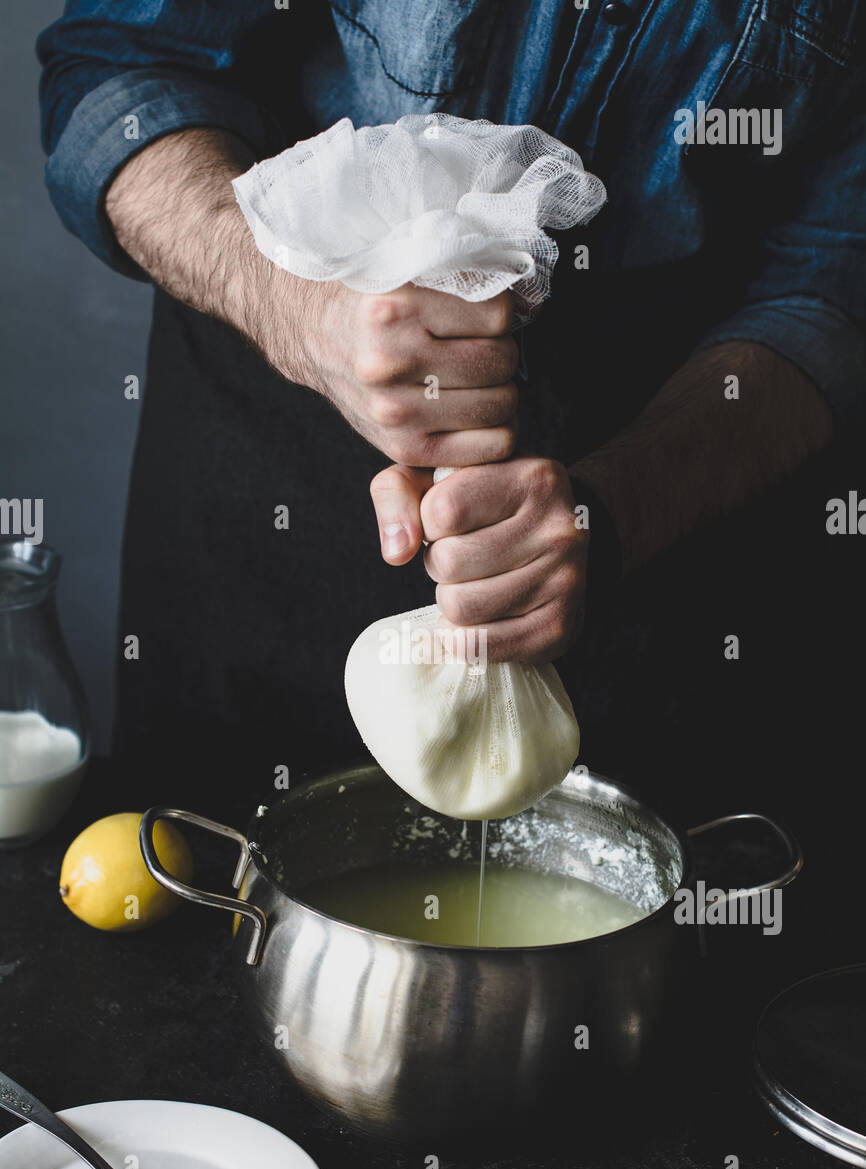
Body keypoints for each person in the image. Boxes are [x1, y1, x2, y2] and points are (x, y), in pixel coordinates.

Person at [36, 2, 865, 841]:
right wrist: (295, 308)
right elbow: (116, 68)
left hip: (673, 519)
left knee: (657, 924)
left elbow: (835, 278)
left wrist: (612, 513)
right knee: (200, 899)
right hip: (262, 485)